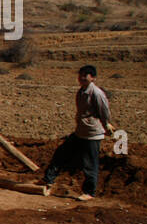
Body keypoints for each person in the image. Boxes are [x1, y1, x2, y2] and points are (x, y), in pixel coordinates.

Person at [42, 65, 113, 201]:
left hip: (92, 133)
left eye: (85, 75)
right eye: (80, 75)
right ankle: (48, 180)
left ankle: (89, 192)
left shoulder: (96, 93)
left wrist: (107, 124)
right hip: (80, 131)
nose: (81, 78)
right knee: (61, 153)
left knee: (89, 163)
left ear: (93, 78)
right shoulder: (81, 91)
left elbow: (104, 110)